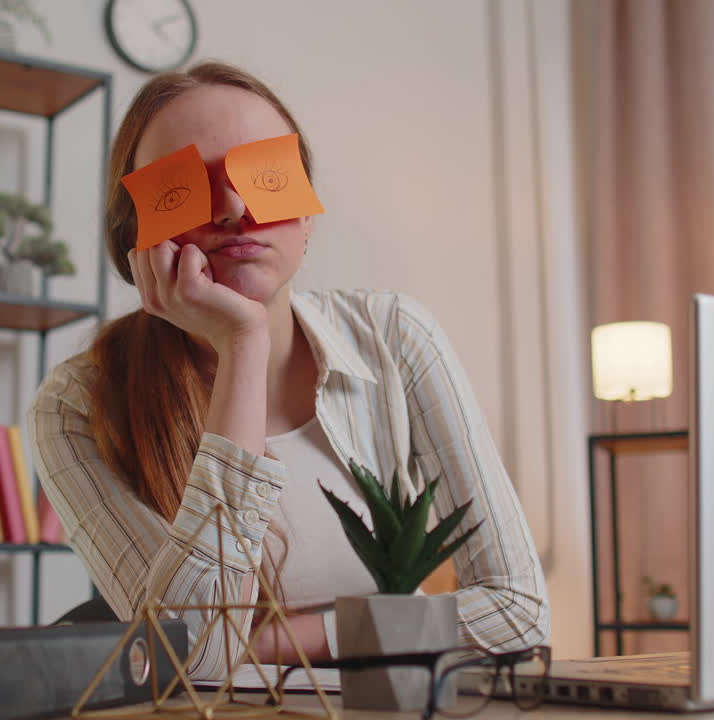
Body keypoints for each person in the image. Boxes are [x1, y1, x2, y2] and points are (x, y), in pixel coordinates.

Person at [29, 61, 549, 681]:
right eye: (183, 188)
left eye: (266, 175)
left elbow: (518, 612)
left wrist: (295, 639)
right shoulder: (75, 408)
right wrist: (242, 343)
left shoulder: (396, 338)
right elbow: (190, 660)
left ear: (306, 215)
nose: (234, 208)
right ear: (138, 236)